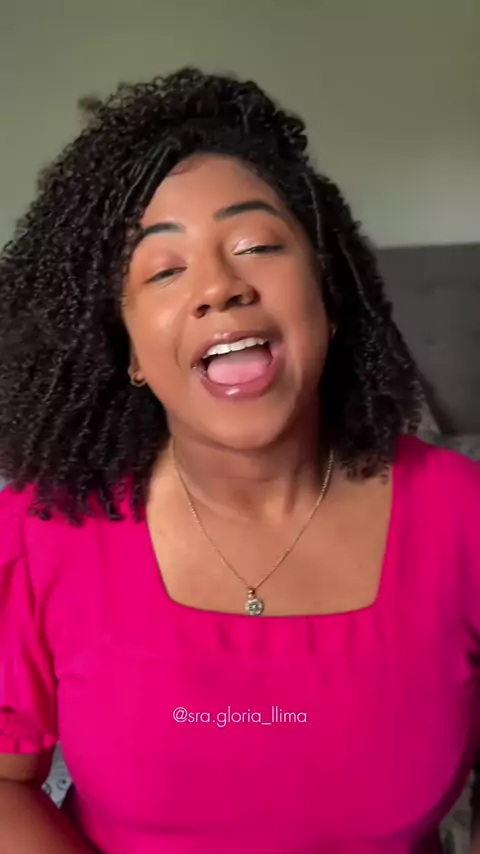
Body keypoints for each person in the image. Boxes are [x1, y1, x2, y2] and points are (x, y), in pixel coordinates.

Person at [0, 67, 478, 854]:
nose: (220, 288)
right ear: (129, 350)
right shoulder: (41, 530)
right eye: (164, 269)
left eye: (256, 245)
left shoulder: (463, 515)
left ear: (327, 295)